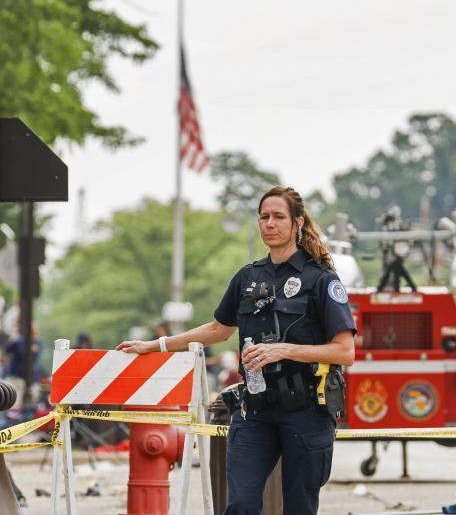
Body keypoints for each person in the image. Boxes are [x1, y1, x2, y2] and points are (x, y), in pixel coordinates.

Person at [117, 186, 356, 514]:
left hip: (307, 412)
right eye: (264, 217)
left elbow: (345, 351)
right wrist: (156, 345)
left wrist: (285, 350)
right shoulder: (248, 277)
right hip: (255, 410)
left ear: (298, 222)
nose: (269, 224)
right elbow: (218, 329)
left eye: (278, 217)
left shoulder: (322, 280)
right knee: (240, 505)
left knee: (299, 508)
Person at [1, 325, 43, 409]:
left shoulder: (38, 343)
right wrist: (5, 366)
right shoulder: (18, 341)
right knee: (15, 403)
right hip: (17, 376)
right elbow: (4, 351)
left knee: (33, 402)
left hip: (32, 378)